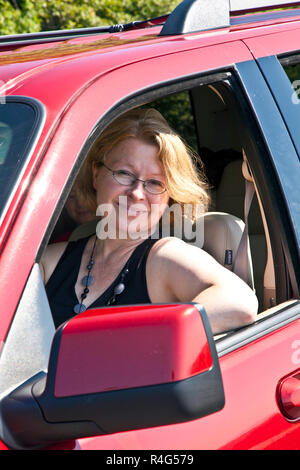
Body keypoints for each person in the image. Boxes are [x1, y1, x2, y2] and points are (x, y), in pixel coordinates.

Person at [40, 107, 258, 332]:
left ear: (169, 196)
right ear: (96, 174)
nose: (137, 193)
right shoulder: (50, 261)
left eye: (154, 183)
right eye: (124, 173)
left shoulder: (164, 258)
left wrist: (143, 337)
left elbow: (239, 303)